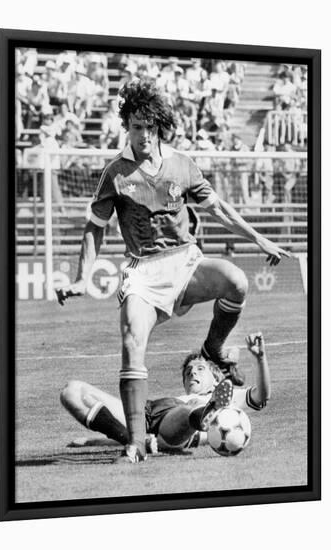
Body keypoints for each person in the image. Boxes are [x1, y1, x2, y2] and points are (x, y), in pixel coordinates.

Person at [57, 79, 289, 464]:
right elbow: (93, 228)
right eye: (135, 126)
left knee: (236, 281)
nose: (143, 134)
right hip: (143, 272)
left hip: (185, 262)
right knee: (132, 340)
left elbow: (218, 209)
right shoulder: (115, 173)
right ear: (126, 127)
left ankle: (213, 348)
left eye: (149, 127)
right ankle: (134, 442)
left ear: (159, 126)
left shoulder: (181, 164)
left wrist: (259, 239)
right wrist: (83, 277)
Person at [60, 333, 270, 453]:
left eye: (199, 368)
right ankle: (135, 443)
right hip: (150, 408)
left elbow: (261, 397)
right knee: (72, 391)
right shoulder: (183, 395)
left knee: (189, 410)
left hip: (177, 419)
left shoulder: (229, 396)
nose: (192, 372)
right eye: (188, 371)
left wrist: (260, 359)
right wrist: (93, 441)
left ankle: (203, 414)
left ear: (216, 378)